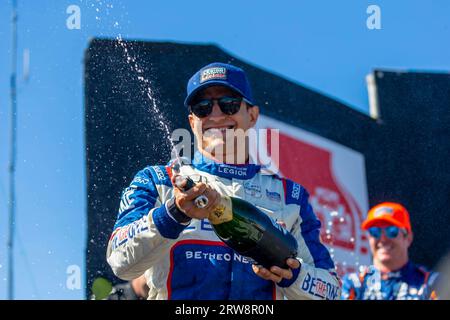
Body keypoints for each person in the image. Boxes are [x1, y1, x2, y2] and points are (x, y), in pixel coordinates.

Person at [106, 62, 341, 300]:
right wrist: (173, 215)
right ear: (192, 122)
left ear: (252, 115)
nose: (216, 115)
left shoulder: (291, 196)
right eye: (202, 107)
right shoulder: (159, 181)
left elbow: (330, 291)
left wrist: (294, 275)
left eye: (229, 104)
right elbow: (119, 262)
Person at [341, 202, 440, 300]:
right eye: (375, 232)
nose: (383, 239)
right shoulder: (353, 284)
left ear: (408, 238)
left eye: (392, 231)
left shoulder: (432, 283)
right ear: (369, 238)